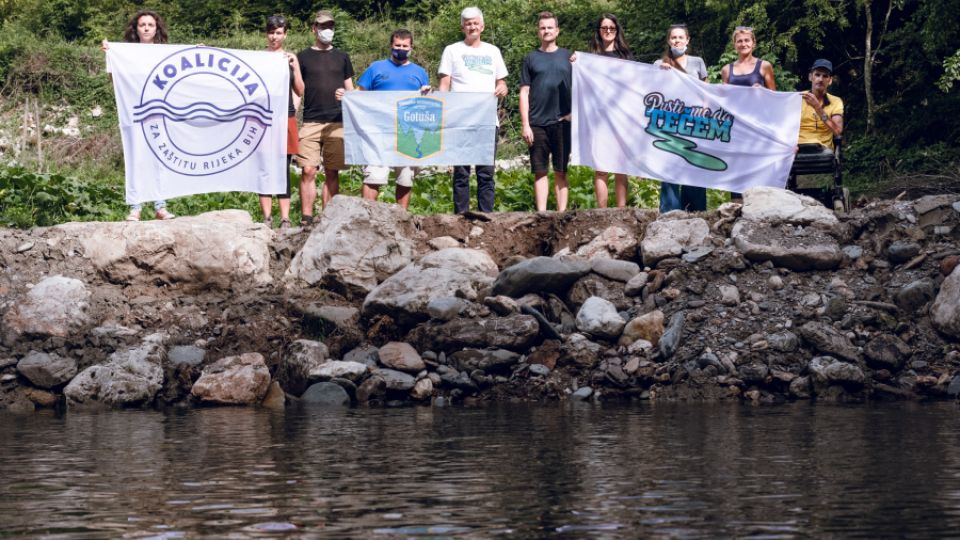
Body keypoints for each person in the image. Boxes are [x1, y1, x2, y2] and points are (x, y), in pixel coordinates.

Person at [103, 10, 176, 222]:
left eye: (150, 25)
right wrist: (110, 53)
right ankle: (135, 207)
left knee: (158, 158)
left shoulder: (164, 53)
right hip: (134, 112)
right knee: (135, 157)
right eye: (142, 24)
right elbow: (114, 79)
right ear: (136, 29)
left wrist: (194, 52)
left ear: (156, 29)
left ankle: (160, 206)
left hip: (159, 112)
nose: (146, 28)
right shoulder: (127, 53)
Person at [438, 6, 508, 214]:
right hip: (460, 121)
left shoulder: (493, 51)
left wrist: (502, 88)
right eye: (468, 23)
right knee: (461, 172)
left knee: (486, 172)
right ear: (462, 27)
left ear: (482, 26)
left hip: (487, 120)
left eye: (475, 23)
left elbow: (502, 83)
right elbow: (444, 85)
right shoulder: (452, 50)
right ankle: (461, 216)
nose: (472, 26)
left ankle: (486, 215)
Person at [355, 29, 431, 210]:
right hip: (378, 132)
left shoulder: (420, 73)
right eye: (398, 45)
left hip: (408, 133)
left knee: (405, 176)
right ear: (391, 45)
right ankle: (366, 215)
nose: (401, 49)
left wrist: (428, 95)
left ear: (411, 47)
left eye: (405, 46)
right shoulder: (375, 68)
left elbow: (426, 105)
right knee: (374, 175)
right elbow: (359, 95)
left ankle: (401, 217)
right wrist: (346, 97)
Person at [297, 10, 354, 225]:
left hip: (337, 121)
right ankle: (306, 218)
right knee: (308, 170)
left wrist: (347, 96)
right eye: (322, 26)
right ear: (314, 29)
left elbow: (351, 90)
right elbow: (297, 90)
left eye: (330, 26)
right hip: (310, 120)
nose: (326, 30)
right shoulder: (302, 57)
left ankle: (327, 219)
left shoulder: (342, 57)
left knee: (332, 171)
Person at [520, 12, 573, 212]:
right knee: (540, 171)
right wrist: (525, 124)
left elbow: (584, 86)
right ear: (538, 32)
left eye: (550, 27)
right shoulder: (531, 58)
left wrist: (573, 113)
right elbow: (524, 92)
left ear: (557, 31)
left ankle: (562, 215)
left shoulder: (569, 57)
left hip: (562, 122)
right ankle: (541, 214)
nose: (546, 31)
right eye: (543, 28)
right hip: (536, 123)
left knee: (561, 170)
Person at [655, 23, 709, 213]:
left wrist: (704, 107)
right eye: (673, 37)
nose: (677, 40)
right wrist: (659, 75)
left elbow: (707, 89)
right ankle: (670, 210)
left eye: (680, 37)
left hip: (695, 120)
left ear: (687, 40)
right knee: (670, 163)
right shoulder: (659, 64)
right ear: (669, 41)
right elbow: (652, 92)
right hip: (669, 119)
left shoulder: (697, 62)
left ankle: (695, 209)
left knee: (694, 161)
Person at [721, 26, 776, 203]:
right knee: (737, 167)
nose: (743, 44)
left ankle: (762, 203)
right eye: (740, 41)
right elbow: (723, 100)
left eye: (747, 40)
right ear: (734, 45)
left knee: (758, 165)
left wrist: (762, 92)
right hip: (736, 127)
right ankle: (737, 205)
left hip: (758, 126)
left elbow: (775, 99)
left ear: (753, 43)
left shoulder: (765, 66)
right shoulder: (727, 70)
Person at [259, 15, 304, 229]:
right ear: (266, 34)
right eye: (271, 32)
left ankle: (285, 218)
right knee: (264, 167)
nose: (274, 36)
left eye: (278, 32)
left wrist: (294, 68)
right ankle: (267, 217)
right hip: (262, 119)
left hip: (285, 117)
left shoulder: (290, 58)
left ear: (285, 34)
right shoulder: (258, 58)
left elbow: (300, 90)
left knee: (283, 167)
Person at [588, 14, 632, 208]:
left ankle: (622, 210)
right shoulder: (590, 58)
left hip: (622, 119)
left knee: (621, 167)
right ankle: (602, 211)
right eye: (604, 28)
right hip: (598, 120)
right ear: (599, 31)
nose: (608, 31)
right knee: (601, 168)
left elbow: (636, 85)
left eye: (611, 28)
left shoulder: (626, 56)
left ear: (617, 30)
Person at [798, 59, 843, 150]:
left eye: (825, 76)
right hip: (798, 147)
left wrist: (817, 107)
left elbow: (837, 131)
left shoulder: (836, 101)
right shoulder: (798, 98)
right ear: (810, 77)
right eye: (817, 75)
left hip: (823, 149)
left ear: (830, 80)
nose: (820, 79)